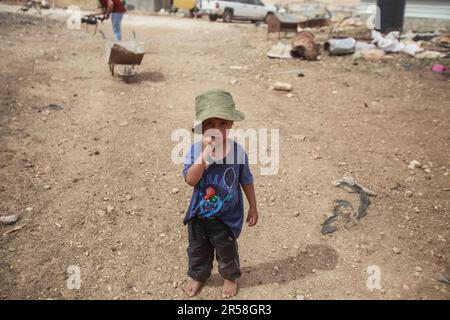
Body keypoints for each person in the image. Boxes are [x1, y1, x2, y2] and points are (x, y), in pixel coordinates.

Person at [182, 89, 258, 298]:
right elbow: (191, 180)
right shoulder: (195, 151)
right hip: (199, 215)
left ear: (231, 125)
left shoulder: (237, 151)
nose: (216, 130)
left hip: (226, 216)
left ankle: (230, 277)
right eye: (209, 125)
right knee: (198, 250)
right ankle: (199, 275)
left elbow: (246, 179)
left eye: (222, 124)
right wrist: (204, 156)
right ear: (201, 128)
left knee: (227, 250)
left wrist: (253, 205)